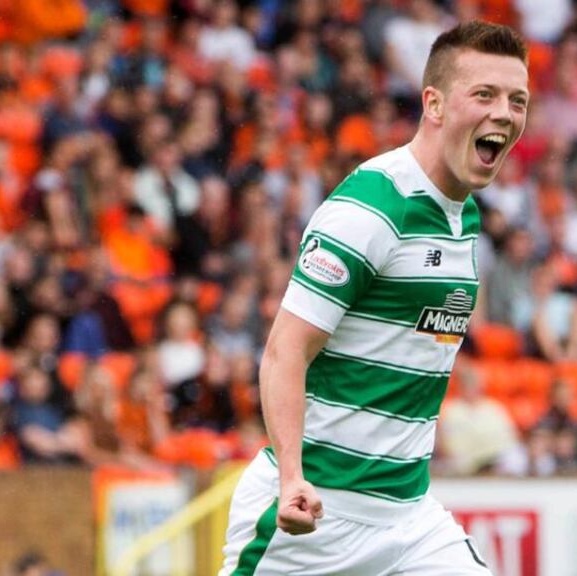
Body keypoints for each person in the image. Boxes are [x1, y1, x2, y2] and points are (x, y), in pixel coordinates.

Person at [221, 21, 529, 575]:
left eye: (517, 100)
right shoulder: (371, 207)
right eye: (485, 94)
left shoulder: (465, 216)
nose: (504, 113)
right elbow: (285, 352)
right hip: (315, 515)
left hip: (409, 520)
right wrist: (291, 477)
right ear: (433, 104)